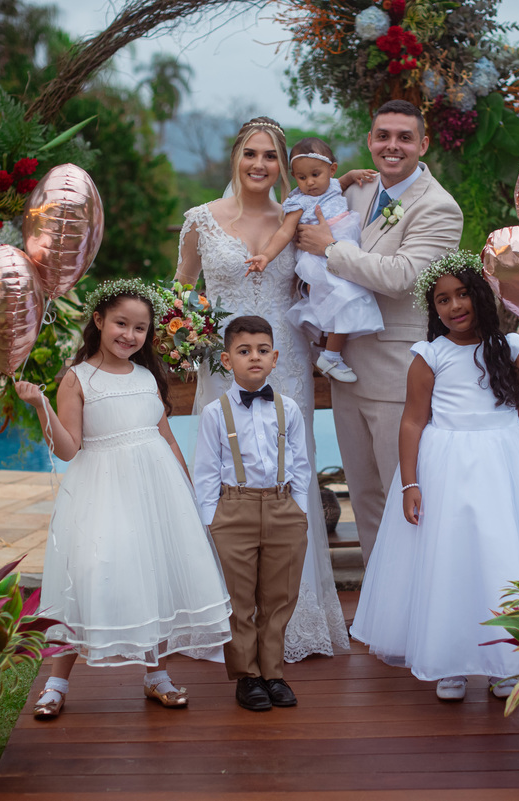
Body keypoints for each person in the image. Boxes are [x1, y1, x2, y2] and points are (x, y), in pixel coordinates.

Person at [349, 251, 519, 701]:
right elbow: (413, 422)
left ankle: (504, 661)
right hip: (448, 467)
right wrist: (411, 481)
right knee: (451, 561)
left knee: (501, 558)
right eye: (442, 300)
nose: (455, 306)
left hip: (506, 463)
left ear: (481, 295)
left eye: (462, 295)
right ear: (434, 309)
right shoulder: (429, 355)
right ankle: (450, 660)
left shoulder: (512, 350)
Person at [175, 116, 350, 663]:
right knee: (222, 477)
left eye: (271, 156)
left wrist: (359, 177)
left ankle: (293, 620)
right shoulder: (201, 221)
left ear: (284, 165)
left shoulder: (301, 217)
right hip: (222, 367)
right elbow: (181, 293)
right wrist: (188, 338)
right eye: (250, 154)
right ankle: (223, 618)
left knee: (287, 474)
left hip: (288, 365)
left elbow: (334, 261)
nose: (259, 164)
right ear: (235, 158)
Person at [14, 278, 232, 717]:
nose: (129, 335)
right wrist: (41, 406)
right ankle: (57, 682)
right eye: (120, 323)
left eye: (140, 328)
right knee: (92, 573)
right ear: (98, 321)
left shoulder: (147, 376)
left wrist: (188, 493)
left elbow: (166, 436)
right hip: (103, 491)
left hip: (158, 491)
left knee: (155, 573)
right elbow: (69, 449)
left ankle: (157, 674)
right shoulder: (78, 379)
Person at [294, 99, 463, 565]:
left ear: (422, 144)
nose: (392, 145)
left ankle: (418, 606)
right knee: (364, 495)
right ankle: (378, 607)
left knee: (403, 493)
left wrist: (330, 251)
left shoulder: (438, 208)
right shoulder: (356, 193)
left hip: (396, 375)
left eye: (404, 137)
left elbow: (401, 276)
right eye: (383, 136)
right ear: (369, 142)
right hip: (347, 370)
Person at [192, 315, 312, 711]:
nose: (254, 358)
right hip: (234, 510)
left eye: (262, 351)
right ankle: (247, 677)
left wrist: (300, 509)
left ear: (275, 358)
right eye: (244, 351)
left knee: (279, 596)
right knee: (239, 600)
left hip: (282, 507)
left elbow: (300, 462)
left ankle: (273, 673)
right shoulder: (215, 412)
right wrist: (212, 522)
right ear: (227, 360)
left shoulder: (288, 408)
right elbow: (206, 470)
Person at [244, 137, 382, 383]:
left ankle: (326, 350)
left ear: (331, 170)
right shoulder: (299, 201)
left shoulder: (331, 186)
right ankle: (331, 355)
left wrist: (352, 175)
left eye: (315, 174)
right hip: (319, 260)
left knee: (341, 304)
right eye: (301, 177)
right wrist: (266, 255)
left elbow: (341, 182)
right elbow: (285, 232)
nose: (309, 183)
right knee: (342, 301)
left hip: (342, 252)